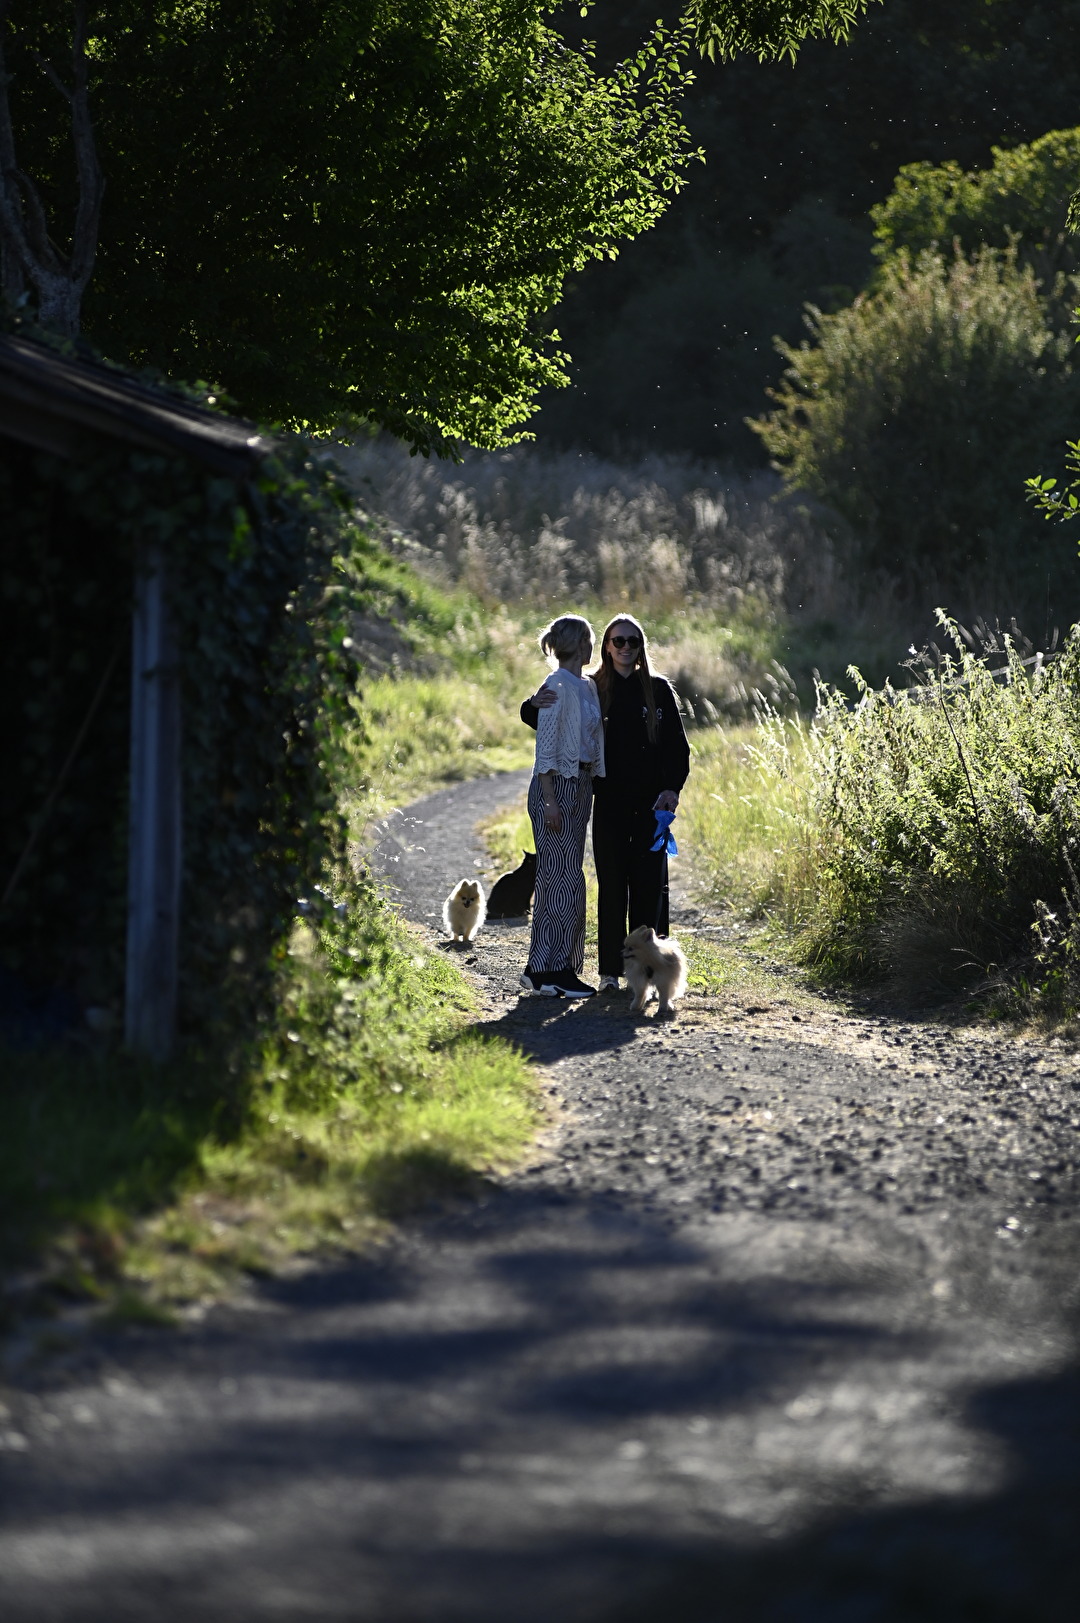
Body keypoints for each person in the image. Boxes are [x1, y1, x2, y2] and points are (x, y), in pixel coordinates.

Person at [522, 612, 689, 991]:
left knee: (647, 885)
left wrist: (671, 789)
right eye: (618, 641)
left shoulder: (659, 689)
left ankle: (647, 972)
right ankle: (609, 972)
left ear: (642, 647)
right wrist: (530, 704)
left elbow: (677, 748)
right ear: (605, 647)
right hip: (608, 803)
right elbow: (548, 717)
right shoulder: (594, 685)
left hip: (649, 806)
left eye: (634, 641)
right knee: (610, 885)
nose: (626, 647)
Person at [520, 614, 605, 999]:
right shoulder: (556, 685)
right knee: (559, 882)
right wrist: (551, 800)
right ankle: (551, 971)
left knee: (566, 881)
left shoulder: (586, 685)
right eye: (591, 640)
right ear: (582, 644)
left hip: (580, 786)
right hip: (554, 790)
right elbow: (546, 749)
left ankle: (550, 968)